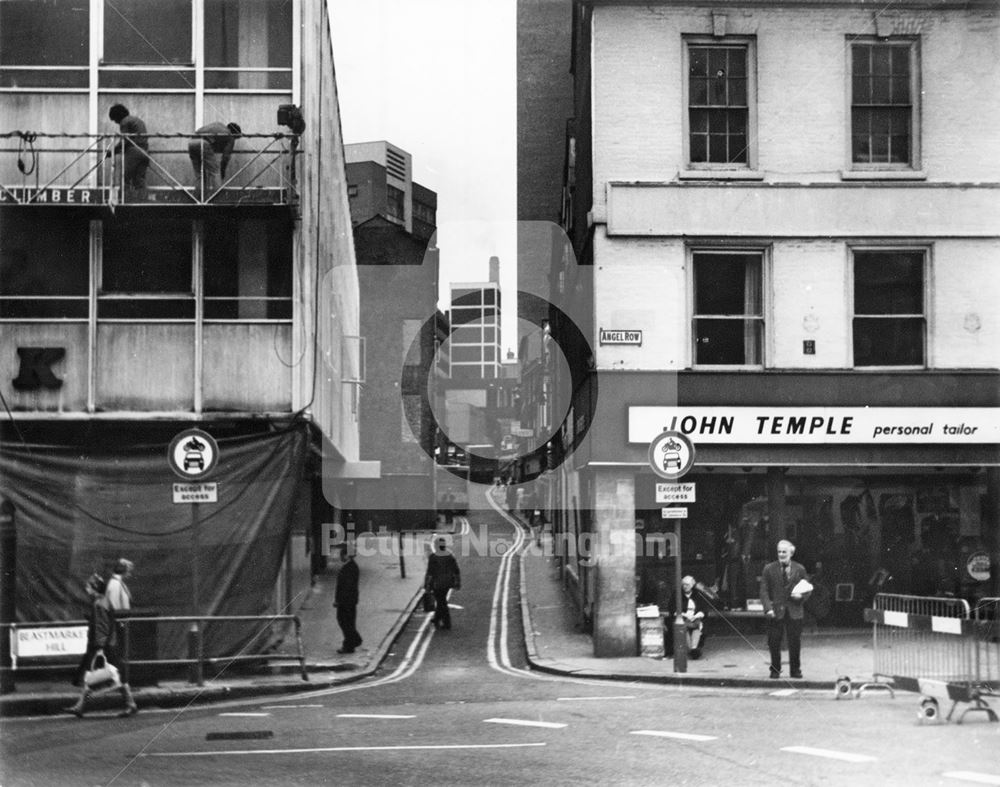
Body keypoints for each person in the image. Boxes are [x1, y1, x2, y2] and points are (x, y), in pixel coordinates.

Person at [67, 573, 138, 718]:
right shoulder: (104, 601)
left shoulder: (99, 604)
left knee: (98, 675)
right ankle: (80, 706)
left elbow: (101, 627)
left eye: (88, 586)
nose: (87, 589)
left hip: (103, 647)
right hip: (108, 644)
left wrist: (99, 649)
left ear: (94, 588)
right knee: (105, 675)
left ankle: (130, 704)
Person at [760, 539, 812, 679]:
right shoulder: (769, 569)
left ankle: (795, 670)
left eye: (784, 552)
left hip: (794, 611)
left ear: (791, 553)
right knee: (774, 641)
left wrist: (800, 597)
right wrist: (768, 608)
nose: (781, 554)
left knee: (795, 642)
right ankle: (775, 670)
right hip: (775, 611)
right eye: (779, 552)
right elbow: (763, 591)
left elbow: (807, 588)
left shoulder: (799, 569)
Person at [106, 104, 149, 200]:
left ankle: (124, 201)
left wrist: (112, 151)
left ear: (118, 116)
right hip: (145, 151)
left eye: (115, 119)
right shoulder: (137, 120)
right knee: (140, 180)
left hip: (134, 152)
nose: (116, 122)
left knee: (125, 178)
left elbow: (125, 141)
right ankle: (142, 203)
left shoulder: (124, 122)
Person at [188, 121, 242, 197]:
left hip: (191, 142)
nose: (234, 140)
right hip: (203, 143)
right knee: (215, 172)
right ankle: (217, 197)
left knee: (200, 174)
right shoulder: (230, 136)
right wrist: (222, 171)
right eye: (236, 138)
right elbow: (225, 157)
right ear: (235, 134)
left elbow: (211, 139)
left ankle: (199, 198)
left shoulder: (218, 125)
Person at [666, 575, 710, 658]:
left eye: (687, 585)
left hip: (695, 618)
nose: (685, 587)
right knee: (683, 627)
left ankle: (694, 648)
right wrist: (683, 614)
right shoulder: (677, 594)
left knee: (698, 626)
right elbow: (671, 608)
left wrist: (697, 615)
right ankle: (692, 649)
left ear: (692, 585)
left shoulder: (698, 595)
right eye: (684, 585)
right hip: (682, 618)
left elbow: (704, 609)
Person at [424, 536, 461, 630]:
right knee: (441, 600)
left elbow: (430, 573)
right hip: (448, 583)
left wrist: (427, 584)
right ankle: (437, 618)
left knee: (441, 602)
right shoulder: (449, 556)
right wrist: (457, 582)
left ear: (436, 546)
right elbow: (456, 570)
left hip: (437, 583)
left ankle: (446, 623)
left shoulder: (433, 557)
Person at [334, 545, 362, 654]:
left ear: (347, 555)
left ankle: (353, 641)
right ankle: (350, 644)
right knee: (347, 623)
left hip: (347, 602)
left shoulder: (351, 568)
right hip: (347, 601)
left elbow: (346, 587)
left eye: (342, 554)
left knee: (345, 622)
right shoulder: (349, 566)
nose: (340, 557)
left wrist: (340, 601)